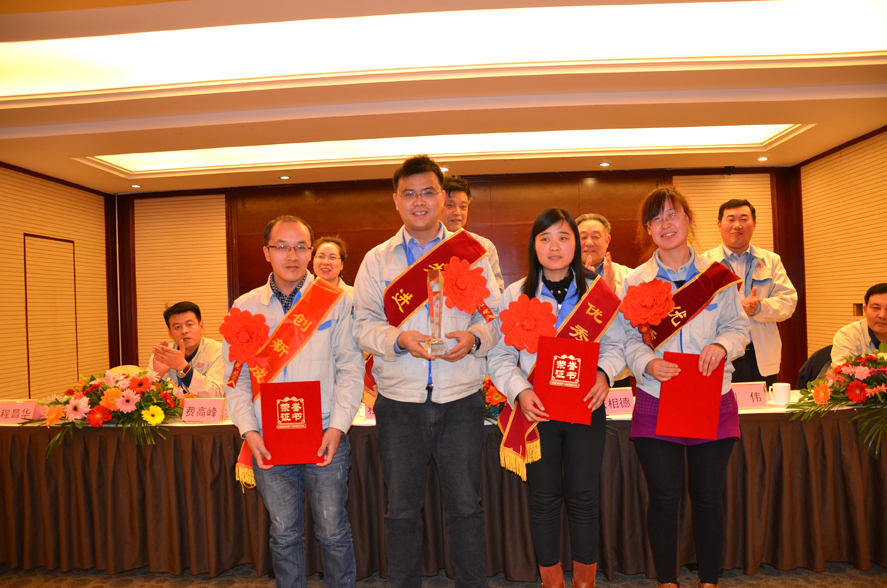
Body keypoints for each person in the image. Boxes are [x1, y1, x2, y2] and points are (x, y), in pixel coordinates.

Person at [353, 155, 500, 588]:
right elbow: (361, 326)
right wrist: (399, 339)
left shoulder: (472, 252)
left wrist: (473, 338)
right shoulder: (376, 260)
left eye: (428, 192)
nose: (419, 201)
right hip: (399, 402)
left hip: (461, 399)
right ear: (396, 200)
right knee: (400, 509)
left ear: (443, 198)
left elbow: (494, 317)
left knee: (466, 506)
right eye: (410, 194)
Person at [487, 208, 627, 588]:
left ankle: (584, 582)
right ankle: (551, 581)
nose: (554, 246)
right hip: (538, 412)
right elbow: (499, 357)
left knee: (584, 497)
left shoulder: (598, 293)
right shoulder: (515, 294)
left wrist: (604, 373)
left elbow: (617, 345)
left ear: (576, 244)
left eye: (563, 238)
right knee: (544, 499)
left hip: (586, 407)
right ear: (534, 246)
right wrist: (521, 390)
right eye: (545, 238)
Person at [618, 187, 750, 588]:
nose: (665, 224)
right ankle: (667, 581)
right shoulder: (635, 281)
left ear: (688, 220)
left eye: (672, 215)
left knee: (708, 497)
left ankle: (709, 580)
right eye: (656, 219)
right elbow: (625, 340)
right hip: (657, 398)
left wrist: (721, 345)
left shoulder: (719, 276)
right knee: (663, 498)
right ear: (648, 230)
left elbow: (738, 328)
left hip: (710, 396)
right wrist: (646, 362)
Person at [224, 215, 364, 588]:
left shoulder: (334, 302)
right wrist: (249, 431)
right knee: (284, 532)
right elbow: (236, 380)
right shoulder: (245, 307)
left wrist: (339, 427)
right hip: (269, 438)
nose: (292, 255)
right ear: (266, 252)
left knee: (333, 530)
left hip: (324, 434)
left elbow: (351, 370)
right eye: (282, 247)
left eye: (301, 247)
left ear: (311, 252)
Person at [701, 199, 797, 387]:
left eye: (744, 219)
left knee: (762, 406)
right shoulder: (703, 264)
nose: (737, 225)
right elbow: (697, 311)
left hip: (759, 356)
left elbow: (788, 302)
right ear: (719, 225)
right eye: (731, 219)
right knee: (721, 405)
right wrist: (737, 308)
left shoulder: (771, 261)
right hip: (719, 354)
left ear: (754, 224)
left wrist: (759, 308)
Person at [441, 175, 505, 293]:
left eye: (463, 207)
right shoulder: (427, 245)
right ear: (437, 206)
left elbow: (498, 291)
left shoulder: (483, 246)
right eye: (450, 205)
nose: (457, 212)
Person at [148, 301, 225, 397]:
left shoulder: (217, 351)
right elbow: (141, 399)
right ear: (170, 333)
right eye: (177, 327)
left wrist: (183, 368)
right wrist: (157, 375)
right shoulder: (162, 356)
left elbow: (216, 394)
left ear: (201, 327)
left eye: (189, 324)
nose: (184, 331)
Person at [576, 213, 632, 295]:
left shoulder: (629, 276)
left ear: (607, 241)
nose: (589, 243)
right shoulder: (562, 276)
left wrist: (613, 290)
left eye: (595, 237)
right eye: (583, 237)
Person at [832, 282, 887, 363]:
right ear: (865, 310)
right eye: (876, 308)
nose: (882, 315)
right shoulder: (848, 335)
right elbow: (843, 369)